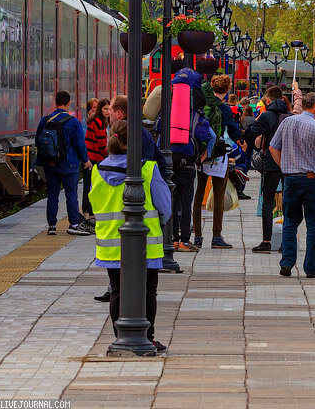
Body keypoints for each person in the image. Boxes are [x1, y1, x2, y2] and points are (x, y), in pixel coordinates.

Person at [91, 120, 172, 353]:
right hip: (147, 243)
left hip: (109, 243)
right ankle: (148, 336)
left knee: (117, 290)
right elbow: (164, 205)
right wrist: (159, 222)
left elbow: (93, 204)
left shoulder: (98, 171)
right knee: (148, 290)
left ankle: (121, 336)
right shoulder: (146, 169)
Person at [267, 92, 315, 277]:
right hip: (312, 180)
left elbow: (273, 147)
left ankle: (287, 263)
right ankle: (311, 269)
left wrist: (285, 167)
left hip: (290, 179)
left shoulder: (287, 122)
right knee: (313, 225)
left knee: (290, 222)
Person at [162, 68, 216, 253]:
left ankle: (173, 239)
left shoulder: (167, 111)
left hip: (169, 164)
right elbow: (209, 136)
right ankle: (185, 240)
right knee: (186, 205)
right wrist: (204, 155)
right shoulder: (197, 115)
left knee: (171, 202)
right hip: (188, 164)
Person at [193, 74, 241, 249]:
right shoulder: (224, 109)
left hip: (201, 154)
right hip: (219, 155)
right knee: (219, 194)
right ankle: (216, 236)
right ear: (227, 89)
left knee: (198, 195)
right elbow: (234, 133)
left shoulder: (203, 104)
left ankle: (197, 236)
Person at [36, 90, 91, 236]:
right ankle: (73, 224)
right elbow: (80, 144)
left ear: (56, 102)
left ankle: (52, 226)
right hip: (70, 164)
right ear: (68, 104)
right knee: (71, 195)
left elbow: (38, 142)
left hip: (51, 164)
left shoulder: (45, 120)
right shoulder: (73, 122)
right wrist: (85, 161)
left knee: (52, 194)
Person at [244, 86, 291, 253]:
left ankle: (266, 241)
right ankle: (286, 241)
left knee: (268, 202)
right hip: (290, 165)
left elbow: (250, 133)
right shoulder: (290, 117)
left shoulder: (267, 116)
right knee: (288, 201)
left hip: (271, 164)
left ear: (268, 100)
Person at [81, 97, 110, 231]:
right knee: (91, 188)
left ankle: (88, 215)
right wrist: (109, 156)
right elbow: (101, 144)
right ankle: (89, 217)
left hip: (91, 158)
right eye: (105, 109)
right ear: (100, 109)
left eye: (109, 109)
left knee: (89, 187)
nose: (108, 111)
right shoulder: (99, 123)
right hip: (94, 160)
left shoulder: (95, 121)